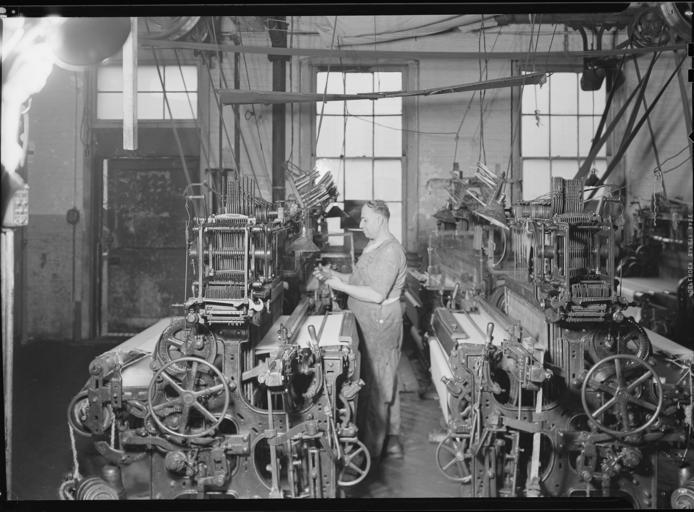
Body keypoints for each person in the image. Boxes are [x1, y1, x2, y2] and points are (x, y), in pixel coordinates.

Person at [313, 200, 407, 463]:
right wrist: (333, 275)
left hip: (379, 322)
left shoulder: (390, 251)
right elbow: (359, 280)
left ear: (380, 219)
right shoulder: (374, 245)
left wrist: (340, 287)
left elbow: (376, 294)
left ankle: (371, 453)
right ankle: (391, 439)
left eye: (365, 219)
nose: (361, 224)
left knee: (377, 383)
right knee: (382, 378)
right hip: (368, 321)